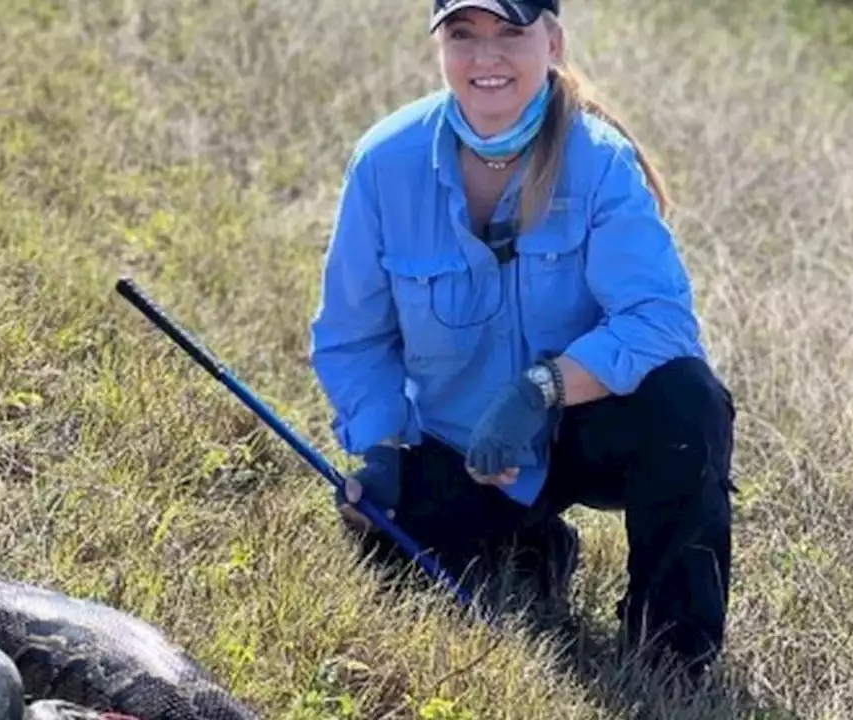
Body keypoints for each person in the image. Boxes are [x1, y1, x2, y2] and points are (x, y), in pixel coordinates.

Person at [308, 0, 738, 683]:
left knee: (688, 402)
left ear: (554, 41)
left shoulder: (600, 162)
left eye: (511, 33)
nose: (487, 58)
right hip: (460, 444)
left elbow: (659, 320)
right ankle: (534, 545)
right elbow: (353, 337)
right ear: (440, 46)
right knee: (390, 557)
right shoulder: (384, 161)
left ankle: (670, 658)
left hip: (585, 432)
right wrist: (382, 444)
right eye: (463, 34)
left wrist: (542, 389)